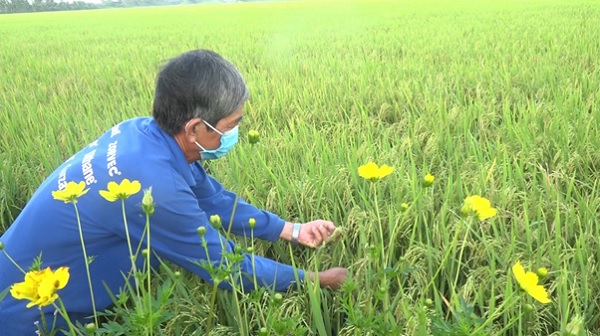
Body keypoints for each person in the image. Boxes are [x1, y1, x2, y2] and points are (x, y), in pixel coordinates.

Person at [0, 49, 348, 335]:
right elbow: (225, 266)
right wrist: (316, 279)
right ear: (196, 128)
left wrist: (294, 230)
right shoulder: (154, 187)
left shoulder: (143, 133)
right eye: (231, 126)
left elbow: (211, 197)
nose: (235, 135)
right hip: (32, 313)